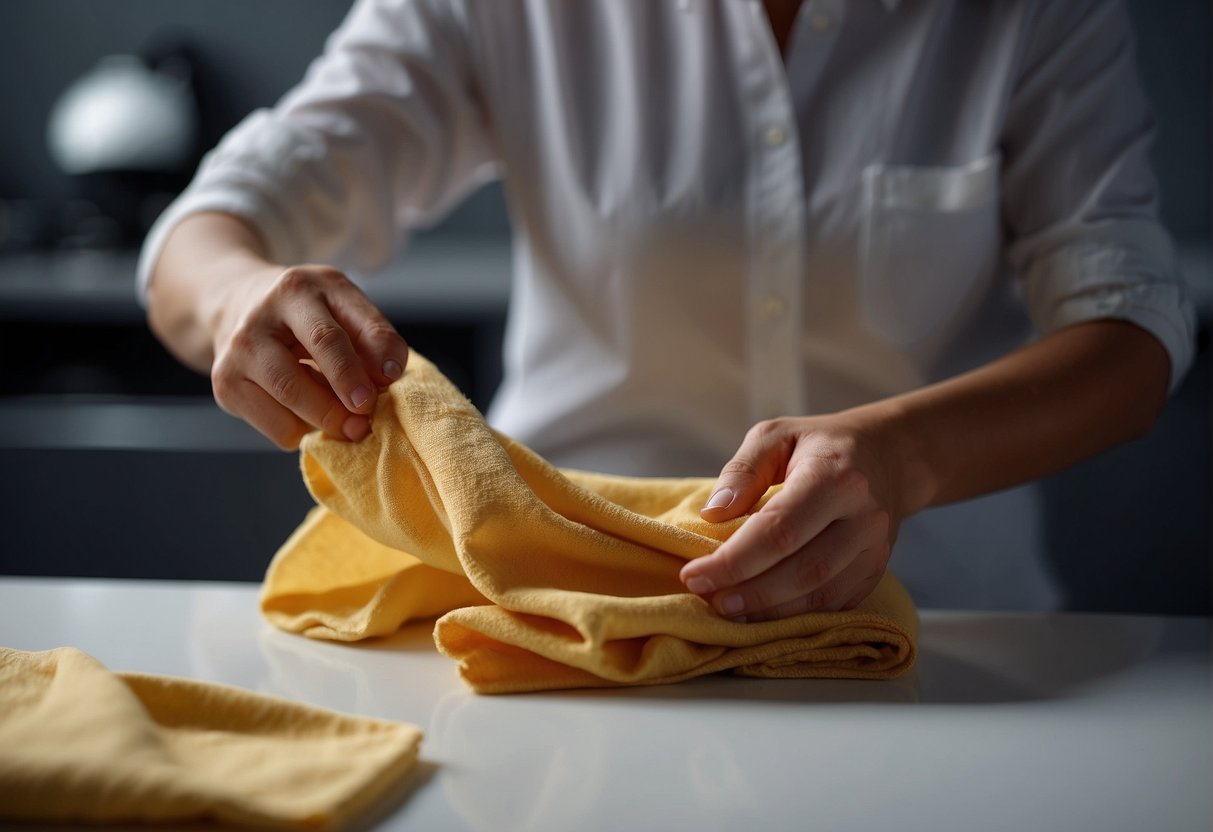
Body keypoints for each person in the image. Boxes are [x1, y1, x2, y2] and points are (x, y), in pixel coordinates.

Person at [141, 0, 1195, 621]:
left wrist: (904, 459)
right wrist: (236, 295)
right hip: (555, 623)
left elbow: (1128, 330)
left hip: (946, 626)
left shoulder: (1030, 13)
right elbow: (212, 229)